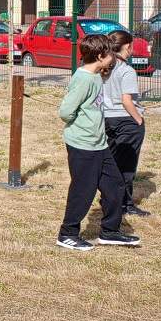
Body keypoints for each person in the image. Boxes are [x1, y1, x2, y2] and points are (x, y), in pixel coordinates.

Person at [56, 35, 133, 251]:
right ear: (100, 56)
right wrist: (83, 127)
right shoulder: (83, 80)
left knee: (116, 185)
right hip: (82, 145)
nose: (113, 58)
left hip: (99, 145)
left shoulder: (97, 75)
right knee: (83, 190)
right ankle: (67, 234)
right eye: (110, 55)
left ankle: (110, 232)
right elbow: (65, 112)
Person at [102, 30, 148, 217]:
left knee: (113, 162)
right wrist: (138, 119)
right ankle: (124, 204)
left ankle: (113, 199)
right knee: (127, 166)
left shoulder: (103, 66)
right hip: (126, 121)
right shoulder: (126, 70)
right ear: (127, 46)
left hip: (107, 119)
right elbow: (126, 100)